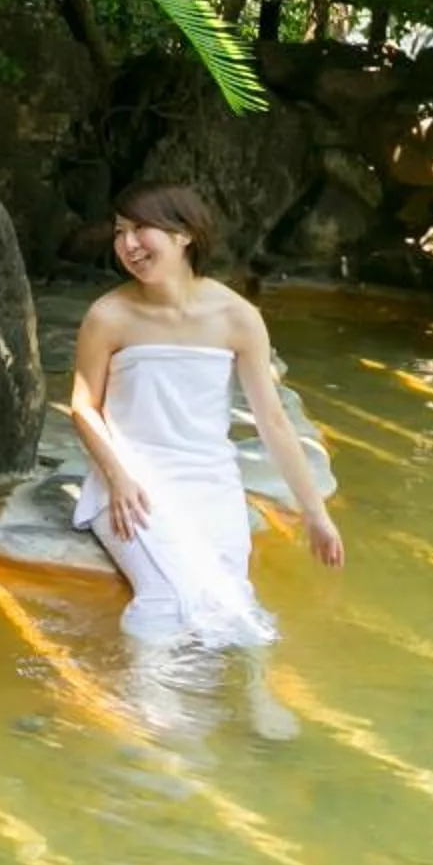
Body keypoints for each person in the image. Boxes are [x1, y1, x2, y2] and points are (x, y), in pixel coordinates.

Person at [68, 181, 343, 727]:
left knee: (232, 596)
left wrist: (316, 513)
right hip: (133, 478)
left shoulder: (236, 316)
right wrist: (117, 477)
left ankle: (257, 695)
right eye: (120, 232)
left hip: (210, 480)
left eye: (139, 229)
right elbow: (82, 405)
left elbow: (272, 421)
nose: (127, 244)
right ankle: (156, 706)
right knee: (166, 597)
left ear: (185, 234)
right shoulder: (110, 314)